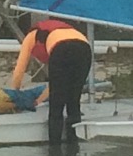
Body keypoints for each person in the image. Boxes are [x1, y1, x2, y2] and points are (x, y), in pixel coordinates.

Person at [13, 14, 95, 144]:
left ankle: (54, 148)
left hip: (61, 49)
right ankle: (73, 145)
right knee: (73, 101)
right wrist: (38, 100)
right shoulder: (63, 31)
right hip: (85, 49)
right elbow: (55, 84)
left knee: (56, 106)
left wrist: (15, 92)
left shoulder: (31, 36)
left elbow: (19, 69)